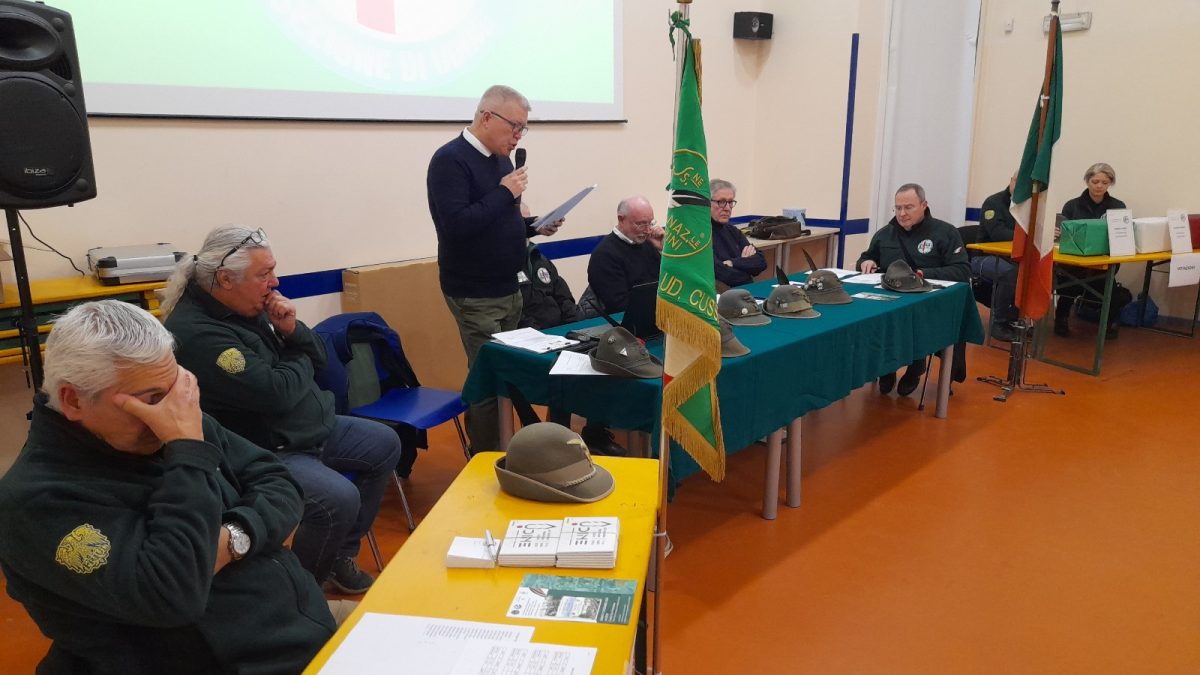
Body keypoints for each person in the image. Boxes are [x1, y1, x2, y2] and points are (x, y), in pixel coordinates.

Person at [0, 301, 335, 674]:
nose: (172, 413)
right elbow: (174, 594)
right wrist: (187, 452)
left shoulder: (174, 416)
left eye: (176, 390)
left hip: (299, 625)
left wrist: (234, 538)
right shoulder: (34, 501)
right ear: (74, 400)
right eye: (151, 401)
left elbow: (279, 481)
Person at [161, 225, 401, 595]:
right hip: (265, 447)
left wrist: (293, 332)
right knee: (338, 499)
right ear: (225, 279)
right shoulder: (197, 332)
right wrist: (297, 354)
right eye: (264, 274)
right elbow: (277, 393)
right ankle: (301, 590)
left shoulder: (247, 303)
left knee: (385, 443)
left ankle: (339, 554)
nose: (274, 283)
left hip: (305, 428)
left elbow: (319, 358)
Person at [426, 84, 561, 454]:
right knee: (488, 376)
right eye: (514, 126)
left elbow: (500, 221)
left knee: (510, 370)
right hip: (474, 291)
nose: (518, 136)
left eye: (523, 129)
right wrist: (504, 192)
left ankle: (513, 446)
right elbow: (457, 226)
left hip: (510, 287)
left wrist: (535, 227)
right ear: (486, 117)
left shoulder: (502, 161)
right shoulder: (449, 160)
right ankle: (487, 456)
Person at [857, 183, 970, 396]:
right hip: (889, 300)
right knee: (877, 320)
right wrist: (866, 261)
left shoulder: (945, 232)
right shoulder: (885, 234)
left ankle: (916, 366)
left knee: (915, 320)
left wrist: (921, 274)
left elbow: (962, 271)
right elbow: (865, 257)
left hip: (928, 301)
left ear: (924, 205)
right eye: (898, 208)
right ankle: (886, 367)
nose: (902, 213)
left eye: (908, 207)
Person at [1055, 162, 1128, 338]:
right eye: (1095, 181)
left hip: (1103, 261)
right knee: (1069, 285)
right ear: (1087, 181)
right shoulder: (1072, 205)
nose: (1099, 186)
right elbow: (1063, 236)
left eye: (1104, 182)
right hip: (1075, 262)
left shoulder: (1118, 206)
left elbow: (1122, 236)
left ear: (1110, 183)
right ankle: (1061, 319)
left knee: (1111, 290)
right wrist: (1057, 233)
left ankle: (1109, 323)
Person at [586, 195, 663, 314]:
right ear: (621, 220)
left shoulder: (649, 243)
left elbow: (669, 285)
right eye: (641, 224)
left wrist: (664, 251)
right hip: (632, 321)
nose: (648, 230)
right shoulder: (604, 255)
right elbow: (619, 306)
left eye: (651, 223)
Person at [973, 173, 1021, 341]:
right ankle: (999, 323)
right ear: (1011, 180)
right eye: (1017, 181)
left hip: (1014, 257)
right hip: (984, 256)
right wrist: (1028, 235)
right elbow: (998, 234)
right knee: (1010, 272)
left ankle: (1017, 319)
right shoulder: (993, 202)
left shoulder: (1029, 206)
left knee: (1034, 270)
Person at [709, 179, 766, 288]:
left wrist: (733, 263)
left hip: (744, 291)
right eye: (721, 202)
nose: (727, 208)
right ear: (707, 203)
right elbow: (722, 274)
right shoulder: (702, 235)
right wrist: (746, 266)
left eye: (730, 202)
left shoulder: (732, 231)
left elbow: (761, 261)